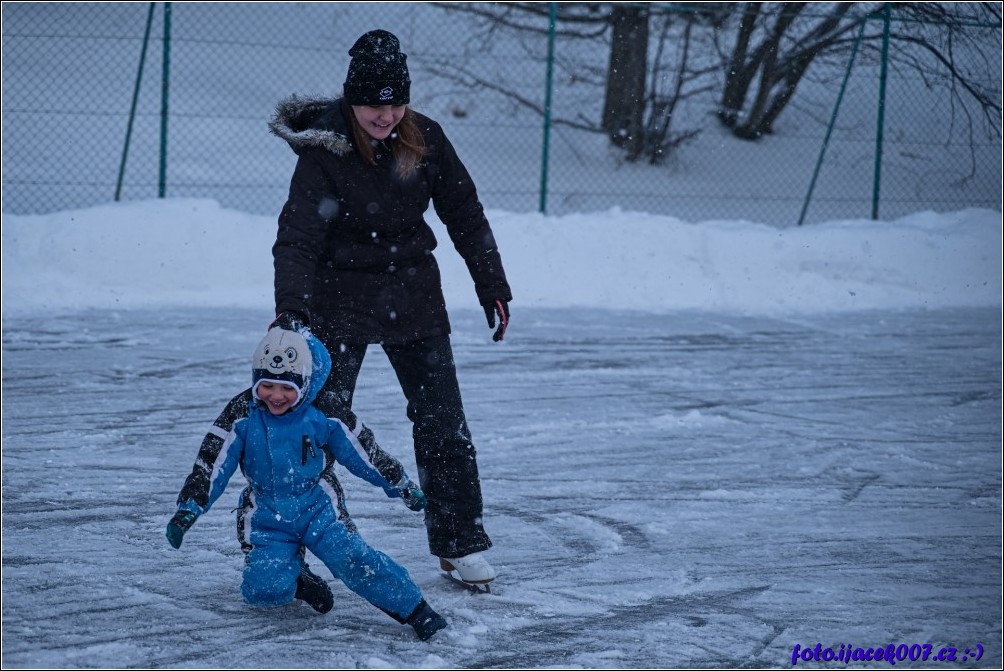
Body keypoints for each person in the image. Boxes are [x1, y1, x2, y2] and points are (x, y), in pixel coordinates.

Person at [265, 28, 512, 589]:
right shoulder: (324, 149)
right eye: (374, 103)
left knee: (443, 421)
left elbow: (464, 214)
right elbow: (297, 237)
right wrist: (292, 311)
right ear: (353, 100)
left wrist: (491, 282)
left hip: (412, 292)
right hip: (338, 297)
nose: (386, 114)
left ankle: (459, 542)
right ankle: (290, 544)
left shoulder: (425, 138)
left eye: (396, 101)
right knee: (316, 426)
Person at [166, 326, 449, 641]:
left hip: (318, 507)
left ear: (303, 383)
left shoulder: (324, 412)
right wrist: (189, 507)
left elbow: (364, 453)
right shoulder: (242, 413)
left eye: (286, 387)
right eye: (267, 385)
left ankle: (416, 610)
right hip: (266, 514)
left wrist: (401, 484)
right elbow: (212, 462)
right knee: (263, 590)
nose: (276, 396)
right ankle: (300, 580)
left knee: (353, 560)